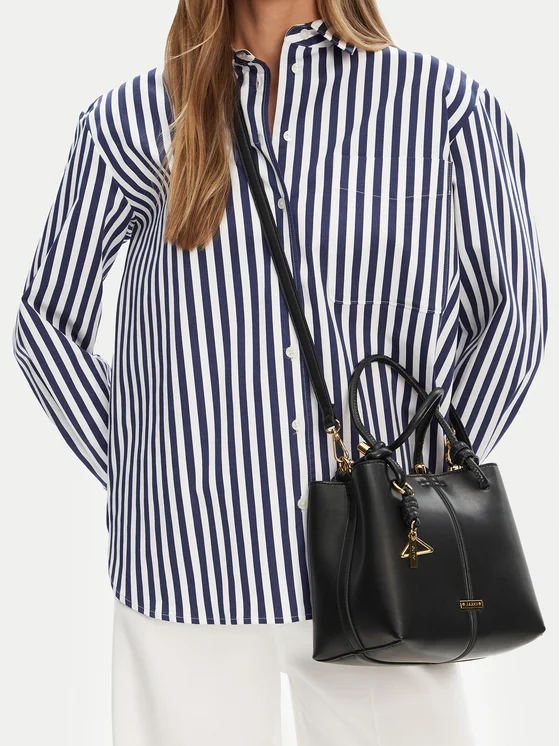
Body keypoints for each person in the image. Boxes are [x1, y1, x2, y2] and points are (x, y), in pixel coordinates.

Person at [12, 0, 548, 744]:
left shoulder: (444, 108)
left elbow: (512, 313)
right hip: (187, 565)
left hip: (387, 569)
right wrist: (146, 470)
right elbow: (46, 322)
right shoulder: (129, 120)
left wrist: (415, 490)